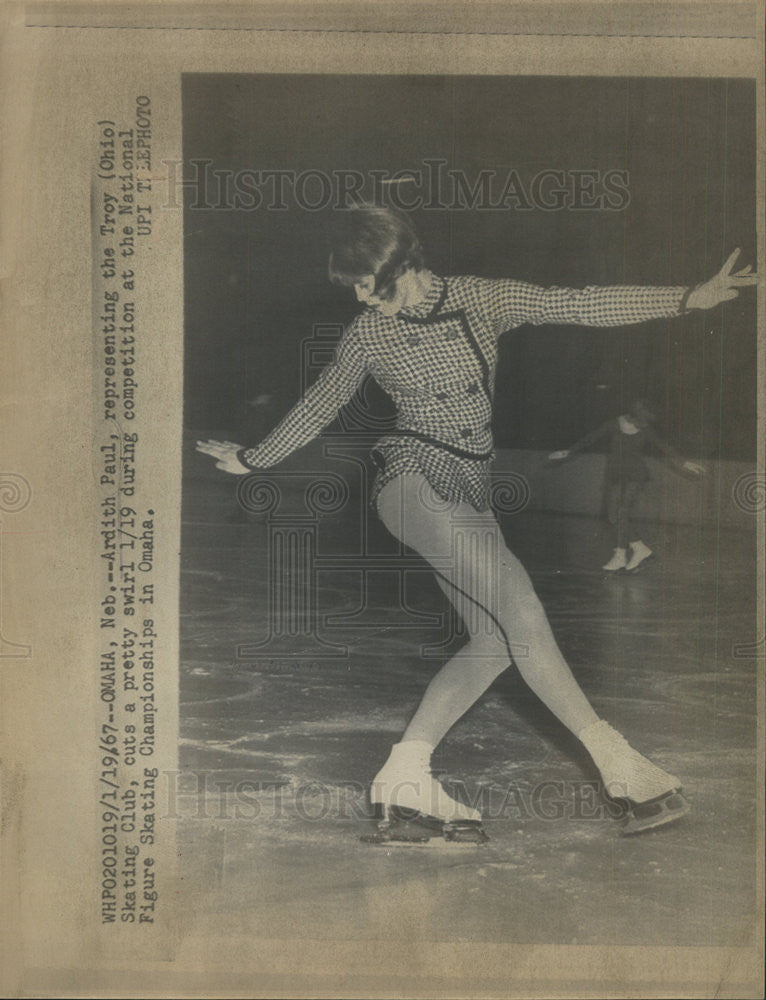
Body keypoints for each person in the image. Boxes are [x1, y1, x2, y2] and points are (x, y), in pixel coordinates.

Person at [197, 205, 756, 837]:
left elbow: (577, 303)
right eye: (351, 285)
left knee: (493, 643)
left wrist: (689, 298)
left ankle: (404, 774)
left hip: (471, 487)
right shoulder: (366, 334)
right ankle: (619, 765)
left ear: (402, 266)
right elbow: (321, 402)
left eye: (365, 283)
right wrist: (252, 459)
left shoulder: (478, 300)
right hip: (411, 479)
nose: (359, 297)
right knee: (522, 612)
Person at [548, 399, 705, 572]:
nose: (644, 424)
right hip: (616, 475)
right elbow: (590, 439)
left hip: (636, 475)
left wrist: (684, 463)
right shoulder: (614, 424)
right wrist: (568, 451)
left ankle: (620, 556)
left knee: (622, 512)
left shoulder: (645, 429)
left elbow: (663, 447)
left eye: (647, 421)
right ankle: (640, 549)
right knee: (613, 515)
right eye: (643, 418)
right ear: (635, 413)